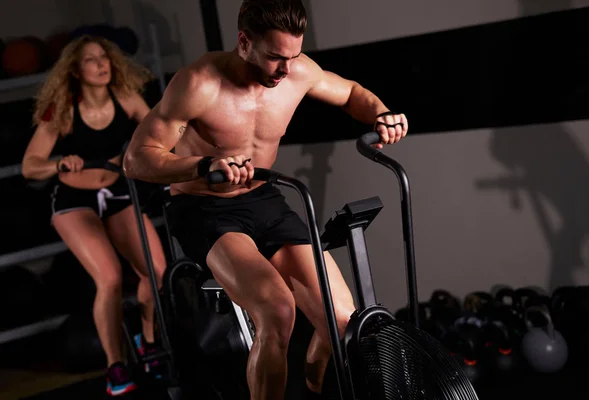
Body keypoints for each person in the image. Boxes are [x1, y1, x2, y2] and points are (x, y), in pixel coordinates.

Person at [123, 0, 408, 398]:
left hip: (264, 198)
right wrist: (203, 166)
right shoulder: (199, 83)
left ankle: (316, 385)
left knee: (343, 320)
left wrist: (381, 113)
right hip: (204, 207)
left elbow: (350, 94)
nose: (287, 69)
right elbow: (136, 160)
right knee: (277, 312)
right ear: (244, 42)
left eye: (293, 55)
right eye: (275, 57)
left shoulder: (298, 70)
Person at [21, 35, 167, 396]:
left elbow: (159, 131)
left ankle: (148, 343)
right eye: (91, 59)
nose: (101, 64)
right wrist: (58, 162)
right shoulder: (64, 109)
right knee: (111, 278)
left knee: (158, 271)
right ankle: (115, 367)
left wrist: (137, 151)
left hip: (118, 192)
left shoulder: (126, 99)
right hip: (74, 199)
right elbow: (30, 166)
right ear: (75, 69)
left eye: (105, 57)